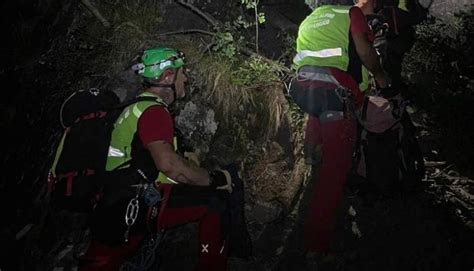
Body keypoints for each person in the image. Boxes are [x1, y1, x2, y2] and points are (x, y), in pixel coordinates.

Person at [79, 47, 234, 271]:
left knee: (102, 261)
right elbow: (169, 165)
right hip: (133, 203)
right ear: (167, 75)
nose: (186, 79)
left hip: (113, 203)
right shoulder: (153, 112)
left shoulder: (135, 107)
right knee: (214, 204)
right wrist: (213, 179)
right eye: (183, 73)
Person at [293, 0, 389, 254]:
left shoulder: (313, 17)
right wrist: (380, 75)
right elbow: (365, 51)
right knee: (335, 170)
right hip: (335, 92)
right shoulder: (352, 14)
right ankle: (316, 243)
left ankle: (311, 168)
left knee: (321, 120)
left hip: (305, 86)